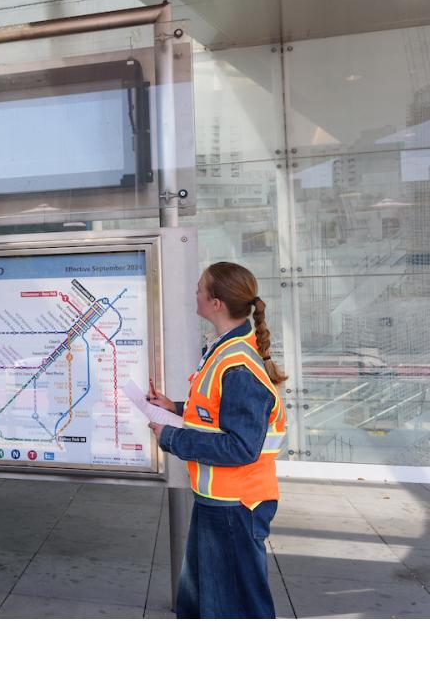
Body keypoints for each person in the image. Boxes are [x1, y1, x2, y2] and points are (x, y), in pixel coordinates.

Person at [147, 262, 287, 619]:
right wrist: (174, 408)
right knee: (203, 604)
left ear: (216, 303)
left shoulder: (237, 365)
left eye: (199, 288)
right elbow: (216, 412)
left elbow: (241, 447)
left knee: (237, 609)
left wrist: (172, 438)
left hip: (235, 507)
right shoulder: (225, 351)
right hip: (219, 503)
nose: (194, 294)